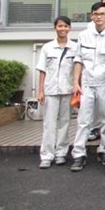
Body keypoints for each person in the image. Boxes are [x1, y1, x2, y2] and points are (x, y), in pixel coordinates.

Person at [70, 2, 105, 172]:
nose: (99, 17)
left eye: (102, 14)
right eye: (96, 14)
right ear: (91, 16)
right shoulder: (84, 35)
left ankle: (104, 150)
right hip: (87, 84)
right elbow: (78, 60)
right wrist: (76, 82)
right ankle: (79, 154)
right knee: (84, 120)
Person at [37, 16, 76, 169]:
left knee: (65, 123)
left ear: (70, 29)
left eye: (66, 26)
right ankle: (46, 155)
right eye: (60, 26)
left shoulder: (75, 47)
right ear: (55, 28)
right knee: (49, 124)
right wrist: (40, 91)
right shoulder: (47, 48)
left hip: (67, 90)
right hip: (50, 91)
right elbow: (42, 71)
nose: (63, 29)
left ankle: (61, 153)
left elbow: (77, 70)